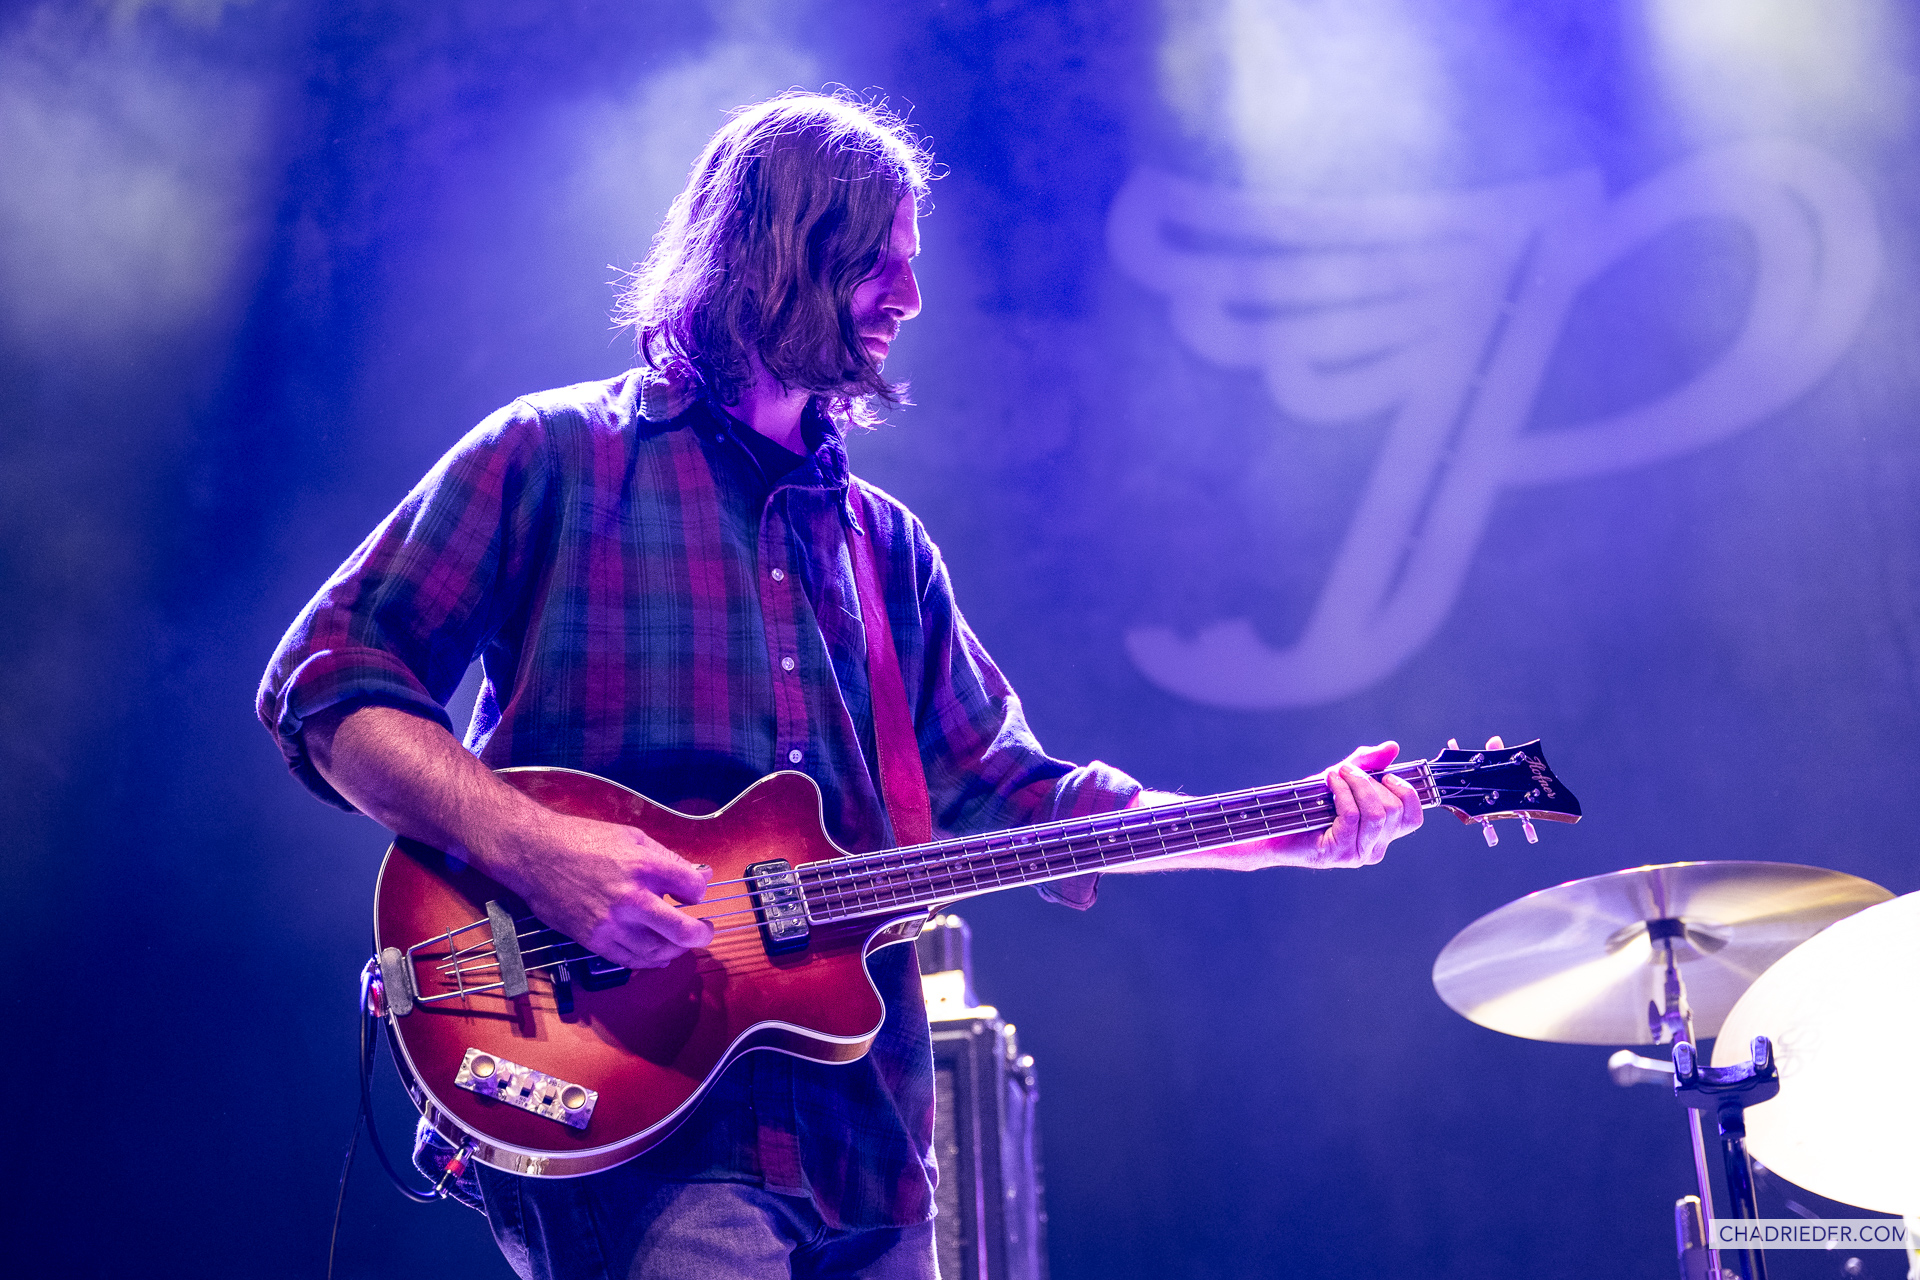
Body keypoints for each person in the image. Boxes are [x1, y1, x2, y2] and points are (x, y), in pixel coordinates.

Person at [257, 91, 1426, 1280]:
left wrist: (1283, 829)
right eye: (879, 263)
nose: (911, 300)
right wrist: (539, 850)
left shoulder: (886, 548)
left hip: (865, 1147)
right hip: (636, 1112)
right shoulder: (553, 457)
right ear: (773, 253)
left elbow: (1026, 800)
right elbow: (328, 682)